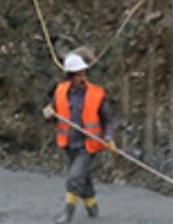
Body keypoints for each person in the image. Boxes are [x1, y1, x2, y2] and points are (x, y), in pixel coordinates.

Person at [42, 52, 114, 221]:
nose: (83, 77)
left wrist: (109, 137)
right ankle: (92, 209)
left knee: (74, 177)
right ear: (70, 77)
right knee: (83, 177)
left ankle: (67, 215)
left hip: (89, 145)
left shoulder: (97, 94)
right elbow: (52, 114)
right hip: (69, 143)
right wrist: (48, 114)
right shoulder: (60, 92)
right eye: (79, 74)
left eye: (84, 73)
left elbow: (108, 120)